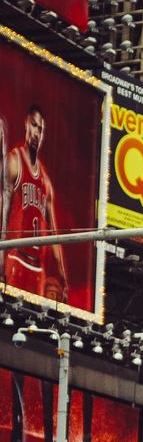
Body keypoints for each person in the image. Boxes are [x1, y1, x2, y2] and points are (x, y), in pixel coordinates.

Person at [4, 105, 71, 302]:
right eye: (34, 125)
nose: (36, 132)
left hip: (37, 269)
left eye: (41, 129)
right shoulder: (14, 161)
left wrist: (62, 275)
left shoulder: (46, 182)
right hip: (16, 257)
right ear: (26, 125)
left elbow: (54, 234)